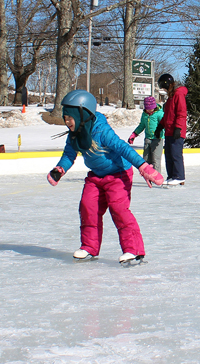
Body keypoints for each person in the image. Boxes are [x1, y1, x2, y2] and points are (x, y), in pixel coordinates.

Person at [46, 90, 164, 265]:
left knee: (119, 209)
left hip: (118, 175)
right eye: (65, 118)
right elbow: (69, 154)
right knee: (88, 207)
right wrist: (60, 169)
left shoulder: (102, 131)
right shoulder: (74, 134)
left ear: (83, 114)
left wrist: (143, 166)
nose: (67, 121)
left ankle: (134, 250)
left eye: (69, 117)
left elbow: (123, 148)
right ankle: (89, 247)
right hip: (96, 176)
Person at [155, 73, 187, 186]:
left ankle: (179, 176)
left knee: (175, 153)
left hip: (176, 131)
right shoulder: (170, 98)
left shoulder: (178, 94)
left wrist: (178, 128)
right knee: (168, 154)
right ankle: (171, 176)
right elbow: (167, 115)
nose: (163, 90)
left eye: (164, 87)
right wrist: (160, 126)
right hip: (168, 130)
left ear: (168, 84)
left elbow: (182, 113)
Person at [128, 96, 164, 169]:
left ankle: (156, 178)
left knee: (156, 160)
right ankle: (149, 177)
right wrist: (134, 134)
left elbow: (164, 124)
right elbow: (142, 125)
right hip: (148, 139)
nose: (149, 110)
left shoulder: (159, 114)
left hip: (158, 139)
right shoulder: (144, 114)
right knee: (146, 159)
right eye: (147, 108)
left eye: (151, 108)